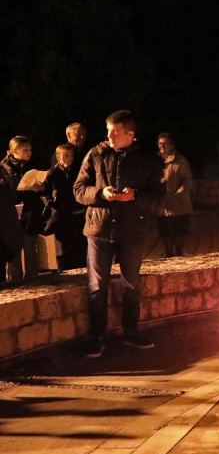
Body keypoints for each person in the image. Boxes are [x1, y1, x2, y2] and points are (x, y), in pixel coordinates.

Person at [74, 110, 165, 357]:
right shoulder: (95, 155)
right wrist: (100, 194)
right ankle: (97, 336)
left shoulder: (147, 161)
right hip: (99, 230)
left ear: (130, 134)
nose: (109, 136)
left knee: (131, 284)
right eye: (108, 131)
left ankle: (131, 332)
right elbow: (78, 189)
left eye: (115, 132)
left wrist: (134, 196)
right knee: (96, 285)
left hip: (132, 231)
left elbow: (159, 198)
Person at [42, 144, 88, 271]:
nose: (70, 158)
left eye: (71, 155)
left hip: (77, 212)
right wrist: (54, 204)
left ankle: (80, 270)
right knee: (63, 248)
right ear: (58, 157)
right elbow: (45, 194)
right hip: (61, 214)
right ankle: (64, 272)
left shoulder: (76, 172)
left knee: (79, 245)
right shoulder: (53, 174)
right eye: (66, 156)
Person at [1, 136, 40, 280]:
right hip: (11, 215)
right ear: (14, 150)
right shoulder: (4, 169)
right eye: (25, 150)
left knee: (30, 250)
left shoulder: (30, 166)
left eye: (30, 149)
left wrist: (40, 187)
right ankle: (15, 282)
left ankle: (34, 280)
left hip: (29, 214)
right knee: (14, 251)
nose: (29, 153)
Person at [155, 133, 195, 257]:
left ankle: (178, 260)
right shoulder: (155, 161)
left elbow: (188, 181)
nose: (161, 146)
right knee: (165, 235)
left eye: (164, 143)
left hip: (179, 207)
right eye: (159, 143)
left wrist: (178, 193)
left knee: (178, 237)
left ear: (172, 145)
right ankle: (168, 258)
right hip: (162, 207)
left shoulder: (180, 161)